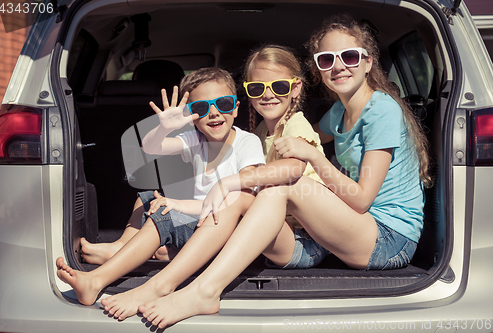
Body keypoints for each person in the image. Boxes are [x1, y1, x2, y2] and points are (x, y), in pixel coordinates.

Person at [136, 15, 432, 329]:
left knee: (285, 184)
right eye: (326, 59)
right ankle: (166, 281)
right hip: (358, 230)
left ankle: (204, 291)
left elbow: (358, 200)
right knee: (253, 194)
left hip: (389, 238)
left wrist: (311, 158)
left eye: (349, 56)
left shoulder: (382, 109)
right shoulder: (339, 113)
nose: (338, 66)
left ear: (368, 62)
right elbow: (300, 131)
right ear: (318, 68)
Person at [55, 67, 266, 306]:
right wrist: (165, 126)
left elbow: (241, 193)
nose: (214, 113)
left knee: (165, 215)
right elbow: (151, 147)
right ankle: (122, 248)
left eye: (224, 103)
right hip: (198, 219)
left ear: (236, 107)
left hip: (222, 230)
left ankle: (96, 281)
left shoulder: (246, 142)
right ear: (191, 116)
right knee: (148, 197)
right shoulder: (196, 140)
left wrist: (176, 205)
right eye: (200, 108)